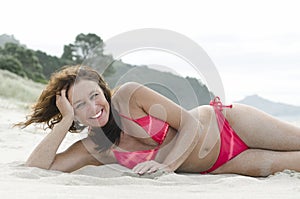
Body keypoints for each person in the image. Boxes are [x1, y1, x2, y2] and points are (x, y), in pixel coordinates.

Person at [17, 65, 300, 177]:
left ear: (103, 91)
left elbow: (191, 123)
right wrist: (65, 120)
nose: (93, 107)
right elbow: (39, 169)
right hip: (220, 164)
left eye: (94, 95)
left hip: (229, 124)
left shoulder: (128, 97)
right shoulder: (93, 149)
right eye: (79, 105)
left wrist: (166, 166)